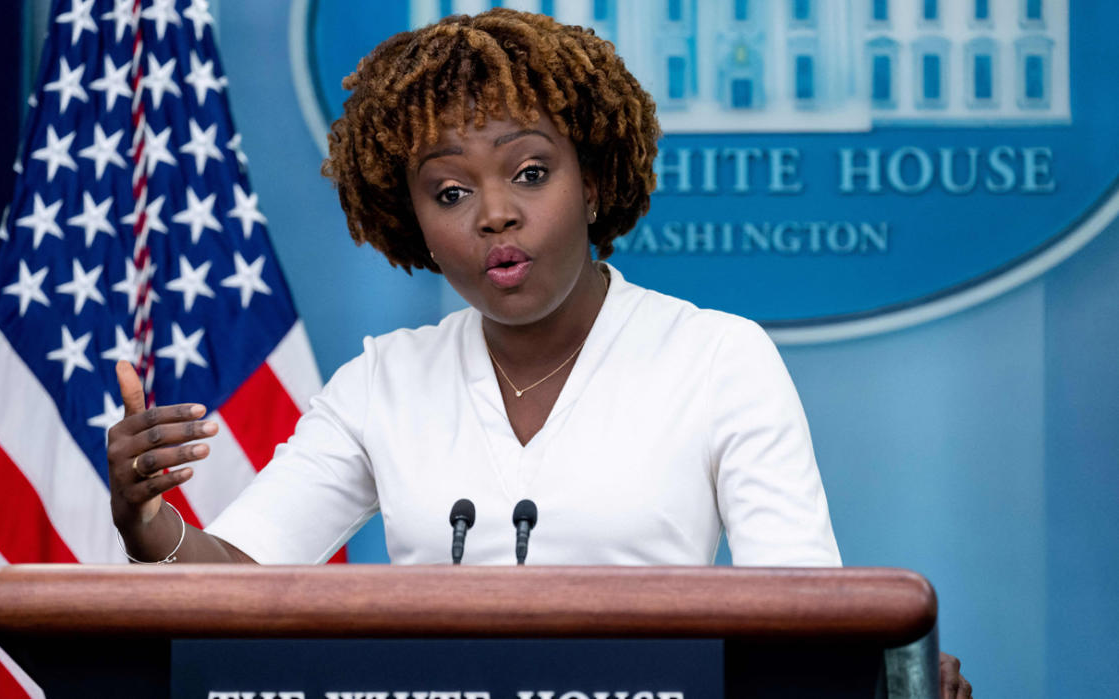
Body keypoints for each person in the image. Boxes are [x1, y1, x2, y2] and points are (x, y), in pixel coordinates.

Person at [105, 9, 970, 697]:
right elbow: (237, 583)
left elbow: (802, 614)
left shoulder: (716, 357)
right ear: (415, 224)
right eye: (451, 191)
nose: (494, 215)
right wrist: (150, 526)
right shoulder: (381, 382)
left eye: (529, 173)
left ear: (592, 181)